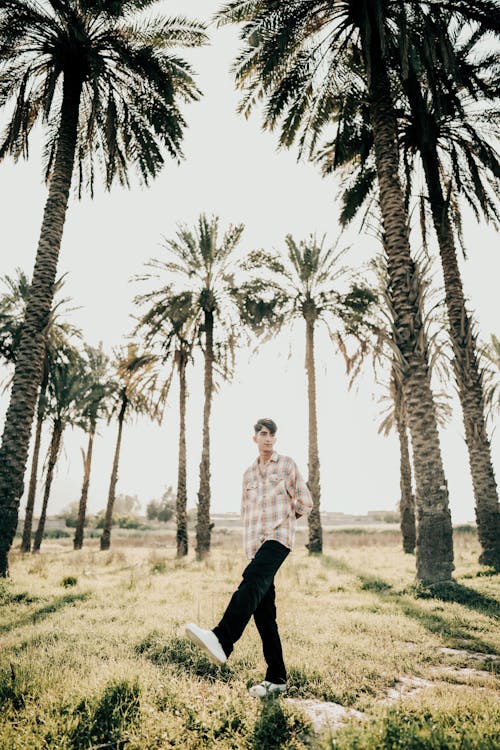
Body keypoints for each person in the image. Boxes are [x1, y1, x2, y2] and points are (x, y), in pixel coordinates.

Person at [185, 417, 313, 697]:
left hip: (279, 539)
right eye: (263, 434)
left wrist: (287, 521)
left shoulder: (287, 465)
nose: (268, 438)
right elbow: (247, 513)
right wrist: (251, 547)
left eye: (272, 435)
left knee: (251, 582)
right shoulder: (248, 475)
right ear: (254, 438)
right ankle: (277, 677)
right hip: (256, 544)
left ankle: (222, 639)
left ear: (275, 439)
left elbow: (305, 502)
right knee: (264, 613)